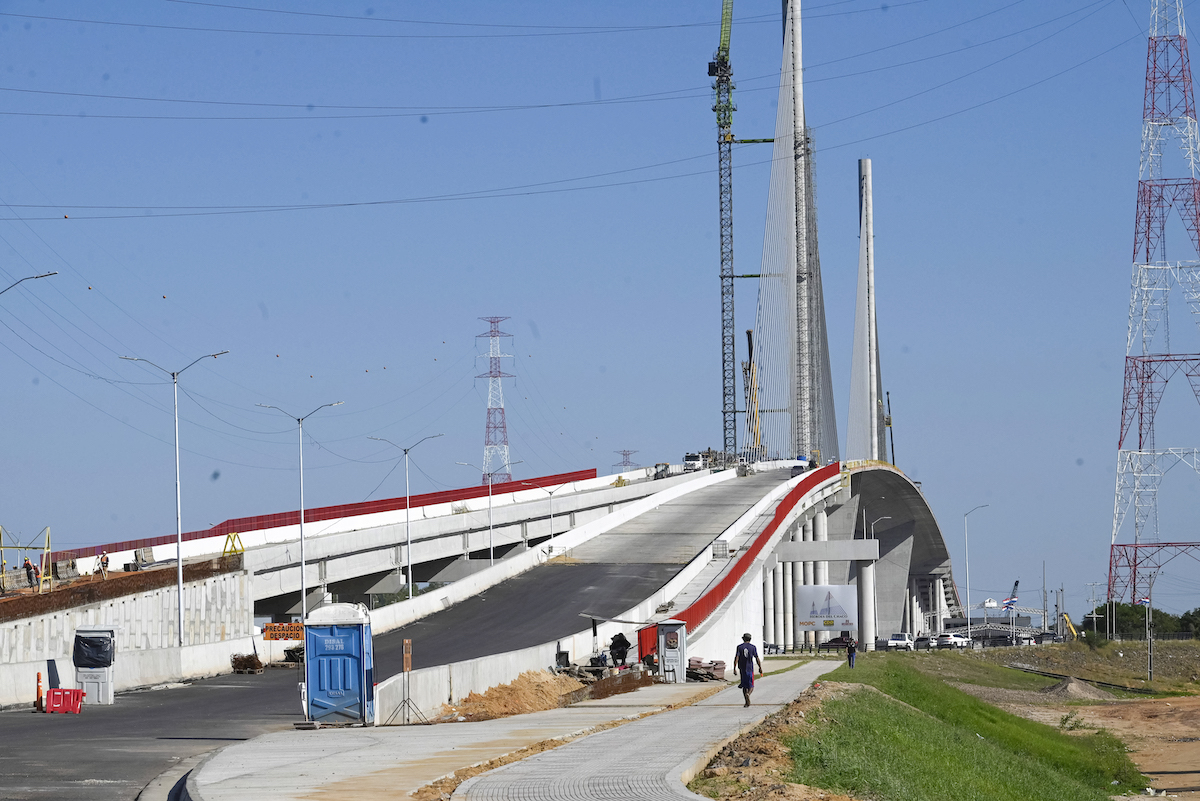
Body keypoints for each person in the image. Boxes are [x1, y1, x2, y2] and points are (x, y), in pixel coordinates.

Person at [733, 633, 763, 707]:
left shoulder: (739, 647)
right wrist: (760, 667)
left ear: (743, 639)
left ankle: (746, 702)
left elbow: (736, 657)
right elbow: (757, 658)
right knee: (751, 686)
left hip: (742, 669)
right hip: (750, 668)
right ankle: (748, 694)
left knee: (744, 686)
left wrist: (734, 668)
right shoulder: (753, 647)